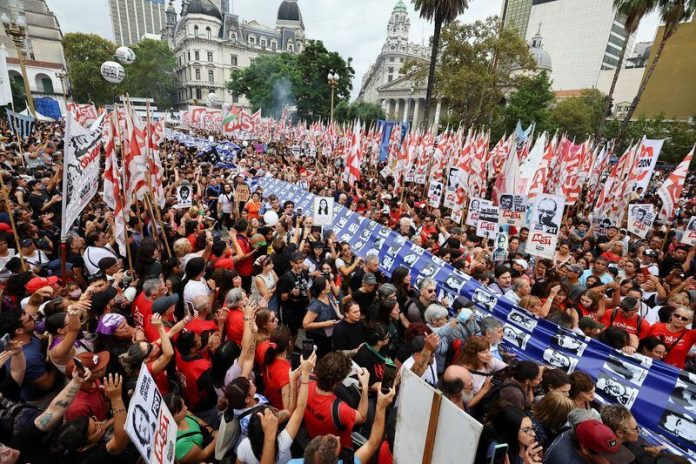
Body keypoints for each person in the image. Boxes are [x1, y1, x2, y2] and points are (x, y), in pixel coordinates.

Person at [303, 351, 369, 449]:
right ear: (338, 381)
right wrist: (365, 387)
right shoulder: (340, 410)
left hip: (314, 439)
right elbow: (362, 417)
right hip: (335, 451)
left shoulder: (305, 384)